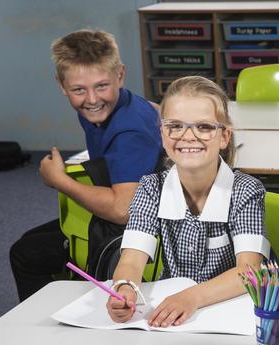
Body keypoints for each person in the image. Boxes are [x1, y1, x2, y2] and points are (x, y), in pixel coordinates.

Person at [9, 29, 162, 301]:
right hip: (125, 199)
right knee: (29, 239)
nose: (92, 99)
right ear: (61, 84)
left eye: (101, 86)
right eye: (79, 89)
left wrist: (60, 181)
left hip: (139, 227)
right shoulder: (105, 107)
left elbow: (124, 211)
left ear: (120, 75)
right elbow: (153, 108)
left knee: (25, 254)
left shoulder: (129, 133)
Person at [106, 76, 269, 328]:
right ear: (162, 135)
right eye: (175, 126)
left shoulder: (245, 190)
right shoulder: (151, 187)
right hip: (173, 314)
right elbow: (131, 260)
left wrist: (191, 297)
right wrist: (124, 287)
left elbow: (249, 272)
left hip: (229, 311)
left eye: (203, 126)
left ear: (224, 137)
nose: (188, 136)